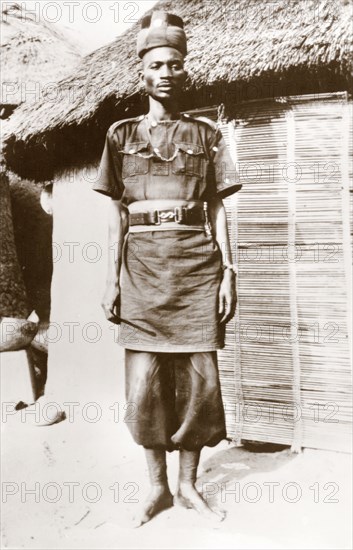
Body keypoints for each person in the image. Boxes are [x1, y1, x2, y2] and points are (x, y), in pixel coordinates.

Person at [93, 11, 241, 527]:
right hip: (141, 272)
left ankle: (188, 487)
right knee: (145, 385)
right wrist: (111, 277)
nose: (166, 73)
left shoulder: (207, 135)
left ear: (185, 70)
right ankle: (156, 487)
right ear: (142, 72)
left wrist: (229, 271)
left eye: (175, 64)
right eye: (157, 64)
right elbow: (114, 209)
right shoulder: (120, 134)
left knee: (200, 383)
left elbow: (219, 207)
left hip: (198, 270)